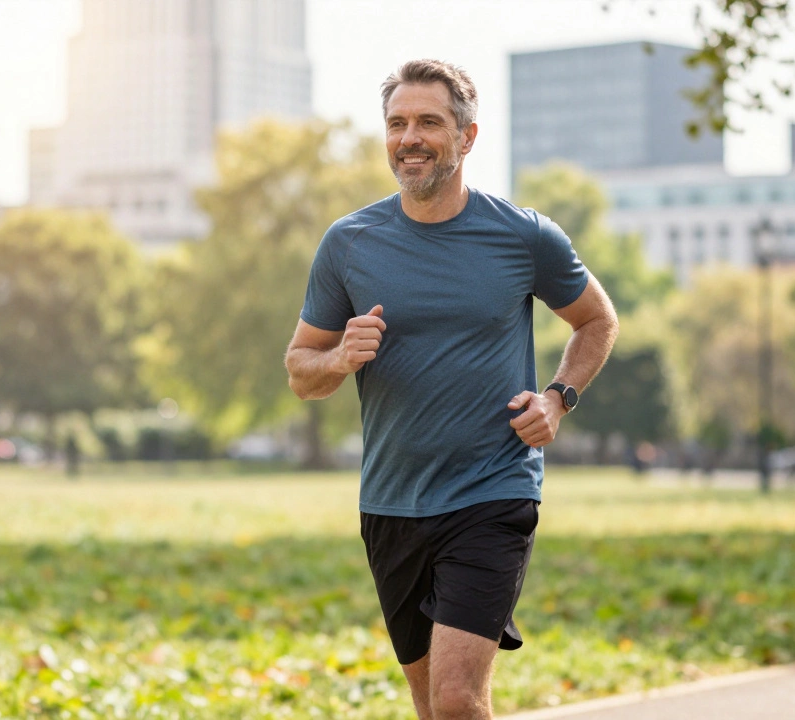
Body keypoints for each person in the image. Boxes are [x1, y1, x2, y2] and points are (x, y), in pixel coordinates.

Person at [284, 59, 618, 720]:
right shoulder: (349, 243)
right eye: (397, 123)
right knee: (431, 704)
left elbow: (597, 321)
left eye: (428, 123)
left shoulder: (523, 235)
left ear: (466, 136)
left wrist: (557, 398)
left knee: (458, 698)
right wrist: (341, 357)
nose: (410, 138)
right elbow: (300, 370)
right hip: (392, 503)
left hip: (493, 491)